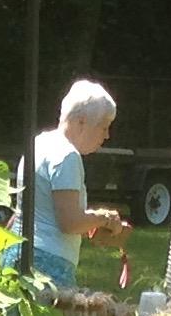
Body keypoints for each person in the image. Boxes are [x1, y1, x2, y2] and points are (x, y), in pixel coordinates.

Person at [26, 80, 129, 291]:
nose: (107, 135)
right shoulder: (67, 156)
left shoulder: (39, 143)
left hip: (20, 255)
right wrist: (106, 218)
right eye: (103, 127)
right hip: (48, 266)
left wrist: (91, 222)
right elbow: (70, 223)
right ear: (81, 122)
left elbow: (49, 211)